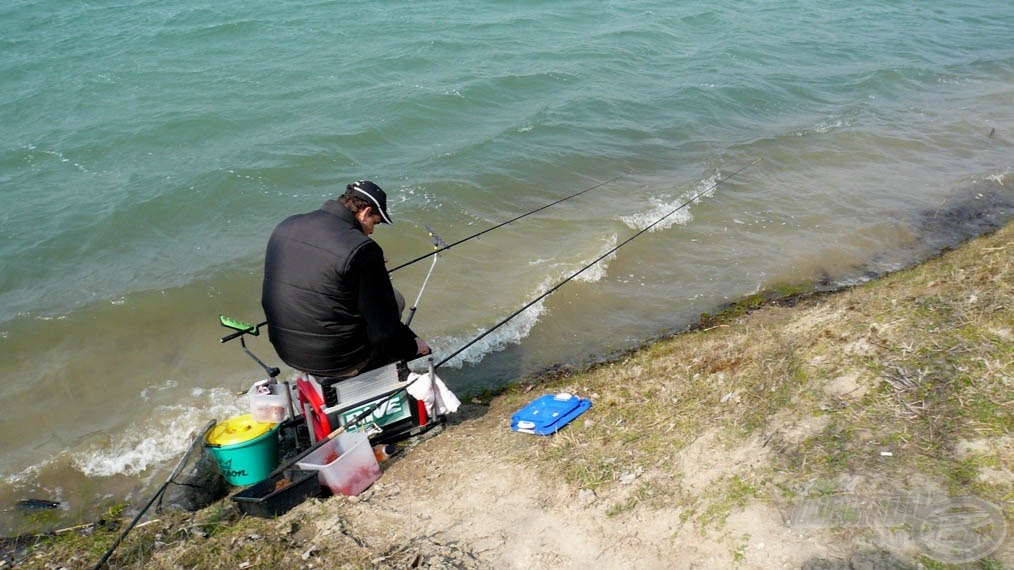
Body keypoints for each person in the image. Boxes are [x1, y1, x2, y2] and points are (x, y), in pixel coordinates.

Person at [261, 180, 430, 381]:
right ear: (365, 212)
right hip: (338, 359)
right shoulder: (362, 249)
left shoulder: (287, 225)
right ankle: (390, 378)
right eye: (374, 223)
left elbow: (319, 266)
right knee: (396, 300)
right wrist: (412, 346)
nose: (371, 232)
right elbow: (383, 328)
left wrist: (369, 266)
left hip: (287, 350)